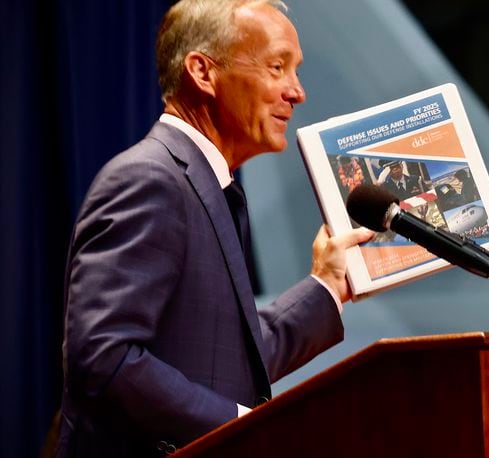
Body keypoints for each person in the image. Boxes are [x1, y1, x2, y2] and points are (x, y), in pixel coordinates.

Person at [57, 1, 372, 456]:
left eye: (295, 71)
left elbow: (224, 358)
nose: (297, 91)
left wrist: (329, 285)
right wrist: (241, 425)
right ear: (203, 73)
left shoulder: (200, 183)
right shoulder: (150, 179)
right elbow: (105, 355)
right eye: (277, 66)